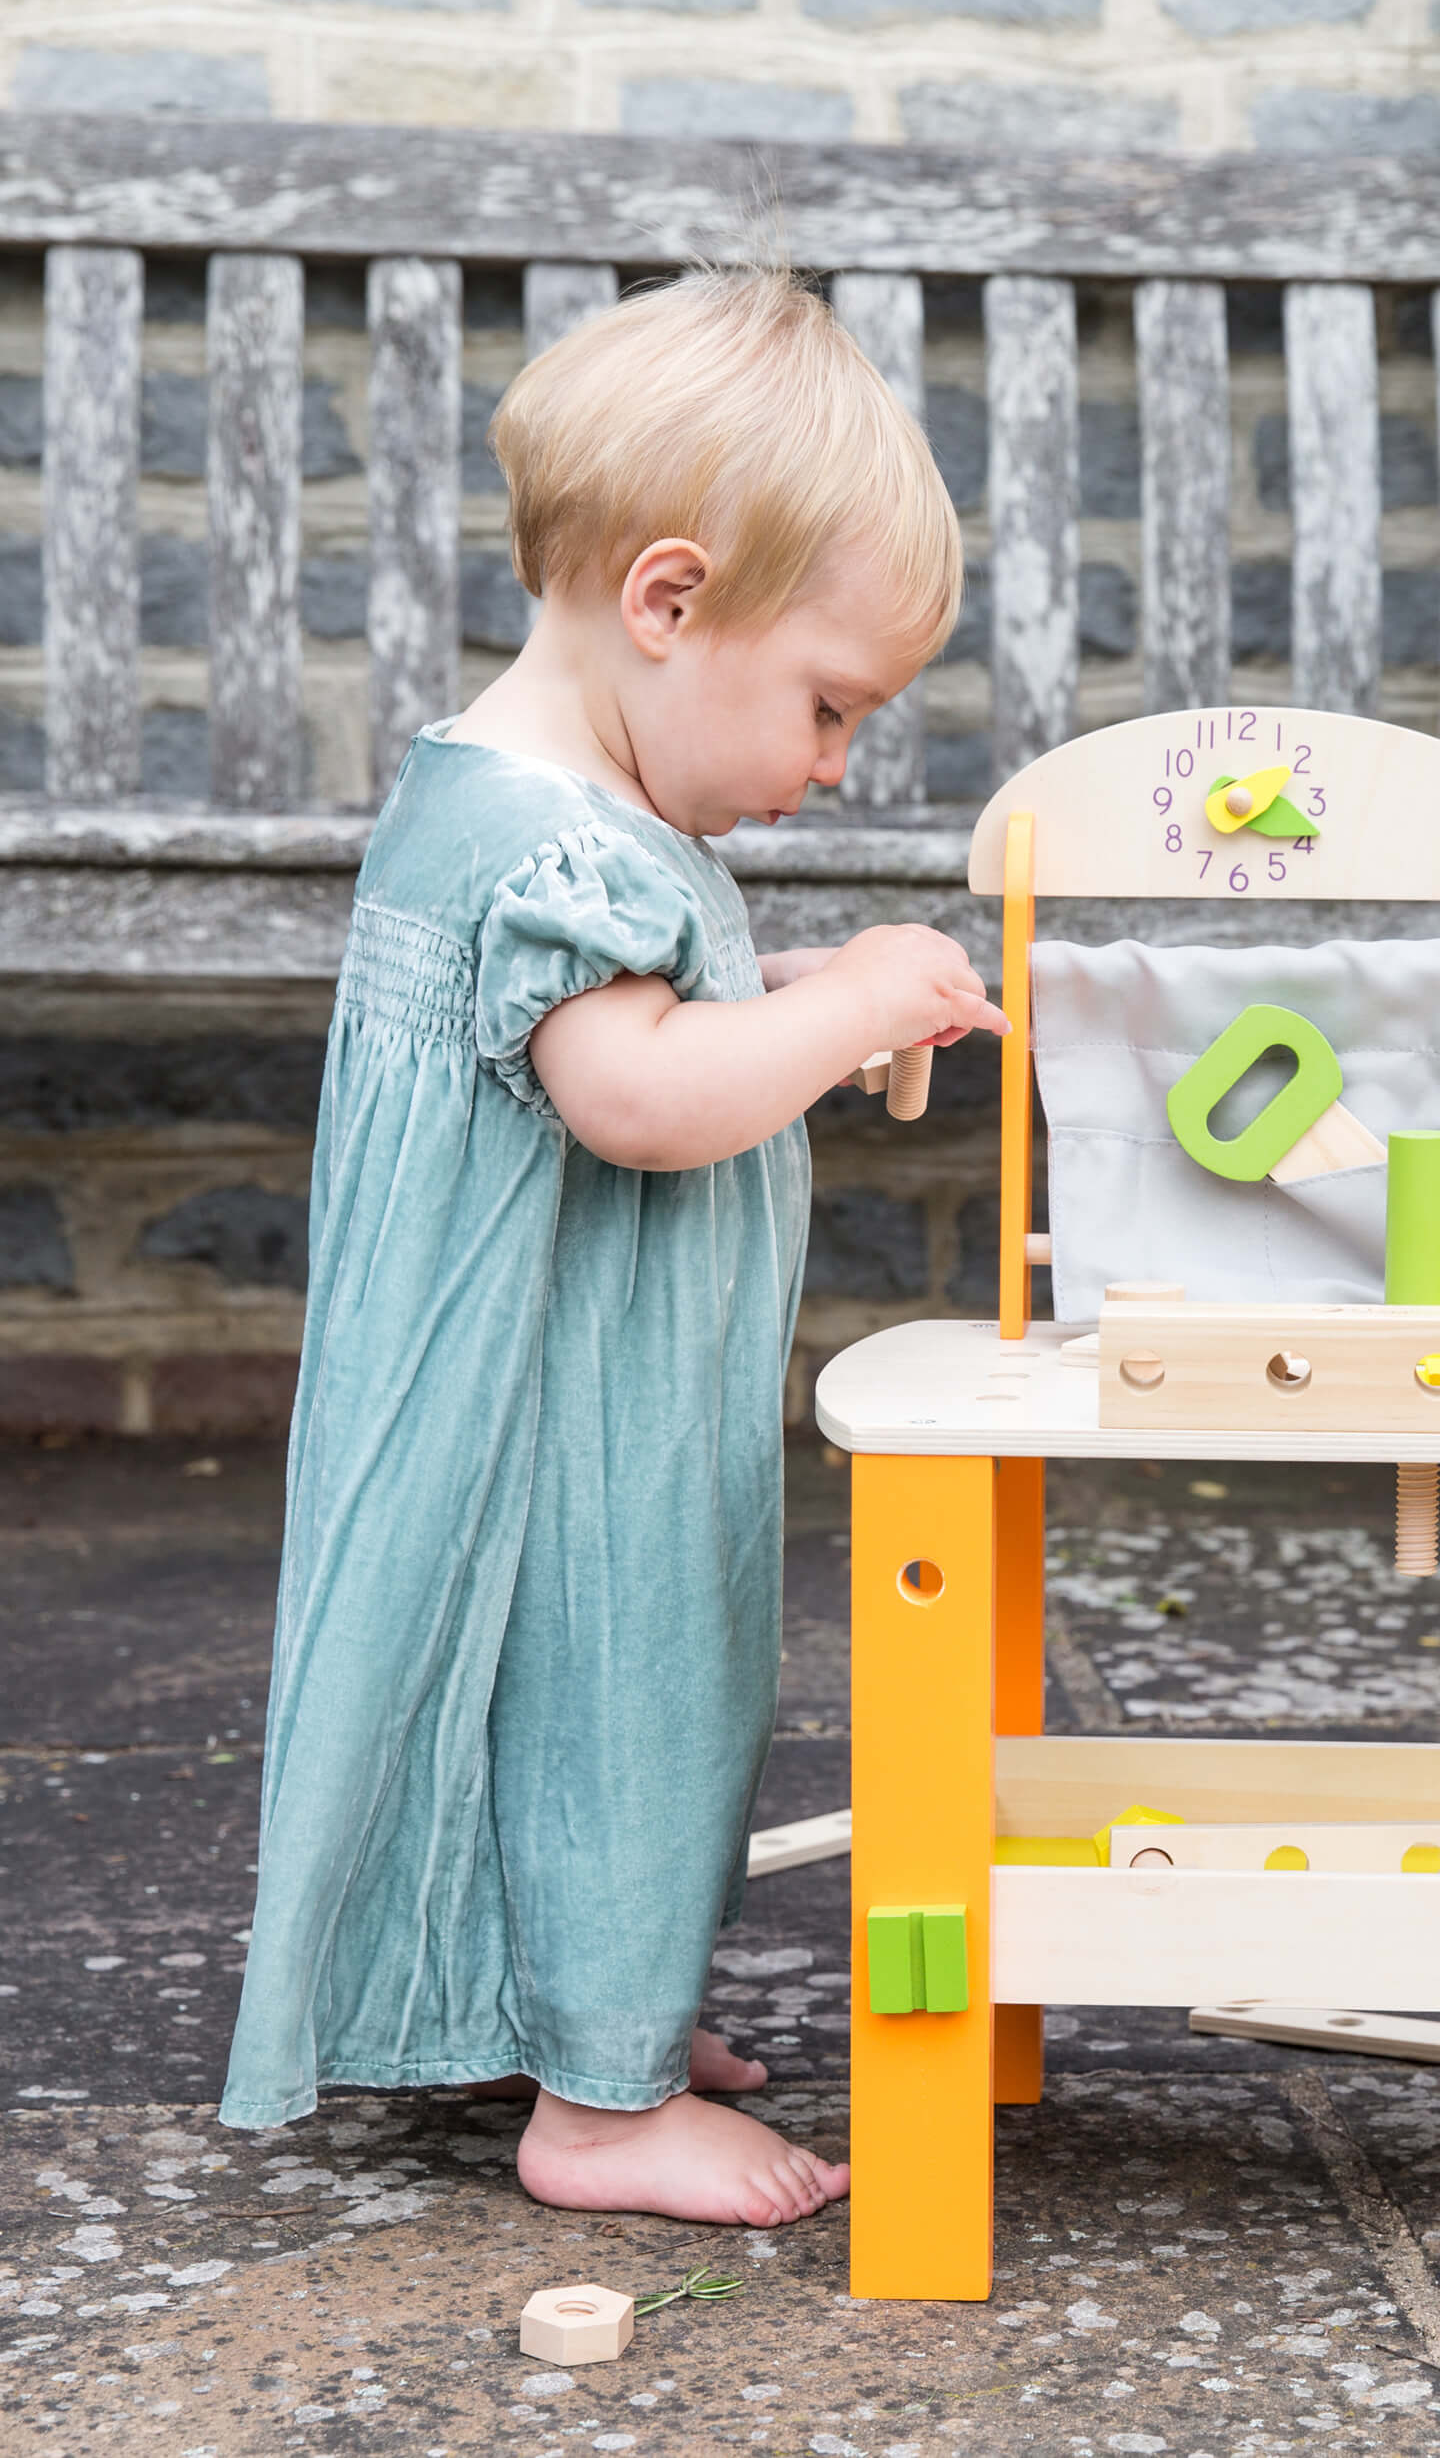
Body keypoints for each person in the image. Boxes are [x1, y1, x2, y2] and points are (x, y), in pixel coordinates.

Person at [217, 267, 1005, 2230]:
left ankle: (554, 2002)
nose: (827, 764)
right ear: (667, 602)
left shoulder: (541, 805)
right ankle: (600, 2102)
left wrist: (810, 977)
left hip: (528, 1387)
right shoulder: (555, 847)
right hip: (564, 1415)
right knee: (623, 1697)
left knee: (521, 1705)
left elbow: (662, 1006)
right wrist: (845, 1009)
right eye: (826, 704)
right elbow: (636, 1092)